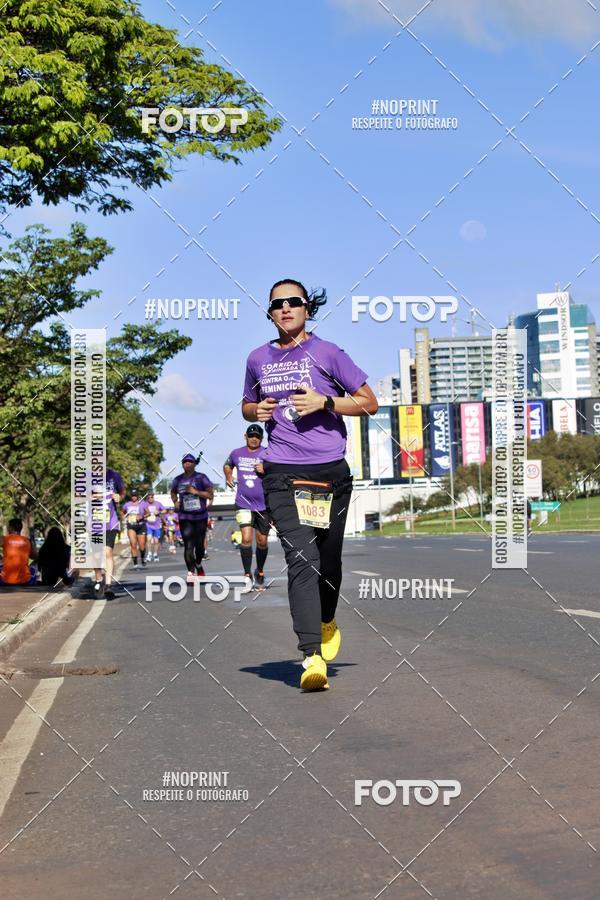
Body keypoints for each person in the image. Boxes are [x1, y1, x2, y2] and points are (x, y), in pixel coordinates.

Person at [242, 278, 378, 691]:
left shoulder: (328, 353)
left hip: (330, 473)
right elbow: (246, 403)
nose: (285, 309)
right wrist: (258, 409)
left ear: (306, 309)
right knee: (302, 560)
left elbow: (369, 402)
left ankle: (326, 619)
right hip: (281, 471)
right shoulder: (257, 358)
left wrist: (326, 402)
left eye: (294, 302)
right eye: (277, 304)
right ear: (270, 312)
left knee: (328, 563)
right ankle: (310, 656)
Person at [223, 424, 270, 590]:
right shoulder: (237, 453)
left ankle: (260, 570)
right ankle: (247, 574)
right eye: (251, 436)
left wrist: (266, 468)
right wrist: (228, 475)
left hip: (264, 505)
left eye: (257, 436)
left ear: (261, 438)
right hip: (243, 503)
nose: (254, 438)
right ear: (245, 437)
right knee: (246, 539)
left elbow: (277, 470)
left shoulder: (267, 453)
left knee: (262, 541)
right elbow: (228, 465)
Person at [170, 453, 214, 582]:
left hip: (200, 516)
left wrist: (196, 492)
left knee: (199, 546)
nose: (187, 464)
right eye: (185, 462)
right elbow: (173, 492)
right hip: (185, 516)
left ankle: (198, 564)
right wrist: (175, 501)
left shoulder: (201, 477)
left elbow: (210, 494)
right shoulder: (177, 480)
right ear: (182, 464)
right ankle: (190, 573)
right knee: (188, 545)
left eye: (190, 461)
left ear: (195, 464)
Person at [93, 467, 125, 600]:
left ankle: (108, 585)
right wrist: (94, 496)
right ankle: (99, 579)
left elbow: (122, 493)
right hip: (94, 522)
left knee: (108, 552)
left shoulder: (114, 476)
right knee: (96, 555)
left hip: (110, 521)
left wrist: (119, 497)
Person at [0, 518, 37, 585]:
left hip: (6, 580)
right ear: (21, 528)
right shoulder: (28, 541)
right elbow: (34, 556)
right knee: (32, 569)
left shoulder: (4, 539)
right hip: (25, 580)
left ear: (11, 528)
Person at [122, 490, 148, 569]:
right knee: (133, 544)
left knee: (142, 546)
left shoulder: (142, 503)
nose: (134, 497)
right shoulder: (127, 504)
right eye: (132, 495)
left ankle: (143, 558)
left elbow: (148, 513)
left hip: (141, 525)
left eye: (135, 495)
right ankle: (135, 564)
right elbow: (123, 512)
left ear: (137, 496)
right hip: (131, 526)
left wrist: (142, 516)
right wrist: (123, 516)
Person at [144, 492, 165, 562]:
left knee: (156, 541)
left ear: (153, 497)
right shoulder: (145, 504)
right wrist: (145, 515)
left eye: (151, 497)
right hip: (148, 525)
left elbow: (165, 510)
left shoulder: (158, 503)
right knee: (148, 539)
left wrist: (159, 512)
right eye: (148, 497)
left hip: (157, 525)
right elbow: (142, 512)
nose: (150, 499)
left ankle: (155, 554)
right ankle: (149, 553)